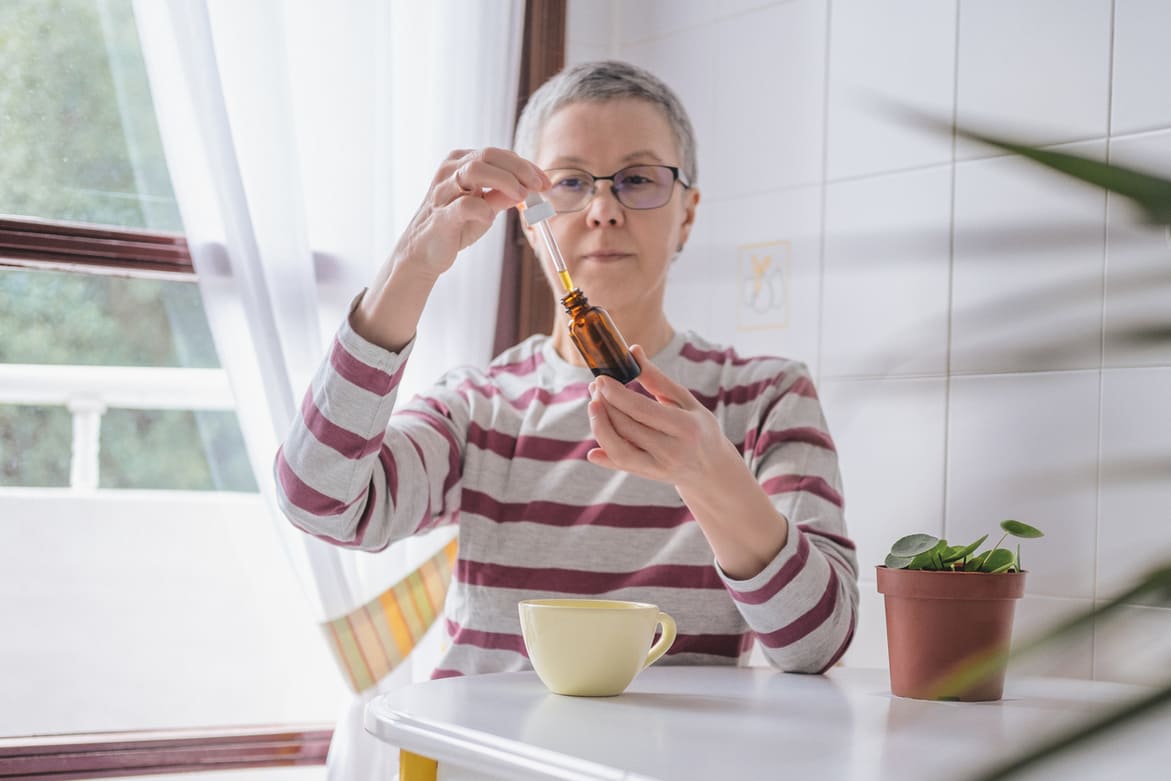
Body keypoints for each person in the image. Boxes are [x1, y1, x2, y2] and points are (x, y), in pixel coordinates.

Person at [276, 60, 858, 677]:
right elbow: (318, 500)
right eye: (571, 183)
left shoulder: (764, 398)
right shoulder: (480, 407)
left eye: (637, 179)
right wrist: (408, 269)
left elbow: (816, 644)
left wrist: (712, 474)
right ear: (530, 219)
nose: (604, 209)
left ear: (687, 212)